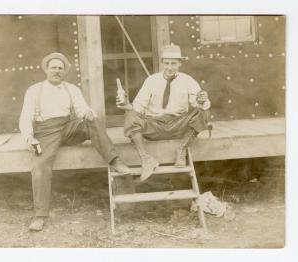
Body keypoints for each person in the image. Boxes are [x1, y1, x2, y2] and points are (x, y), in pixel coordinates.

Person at [19, 52, 132, 231]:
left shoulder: (71, 89)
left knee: (93, 121)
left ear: (65, 71)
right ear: (46, 70)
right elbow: (25, 117)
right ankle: (40, 216)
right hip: (45, 132)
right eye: (53, 67)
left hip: (67, 127)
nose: (57, 71)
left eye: (60, 68)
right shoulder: (35, 90)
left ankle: (115, 160)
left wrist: (87, 113)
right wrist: (29, 137)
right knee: (40, 167)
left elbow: (82, 108)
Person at [116, 45, 211, 182]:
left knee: (203, 111)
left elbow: (199, 103)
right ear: (162, 63)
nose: (170, 67)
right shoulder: (151, 81)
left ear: (180, 63)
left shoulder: (188, 80)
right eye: (166, 63)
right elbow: (138, 107)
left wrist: (202, 100)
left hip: (178, 125)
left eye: (173, 63)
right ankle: (146, 159)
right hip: (155, 125)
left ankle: (182, 149)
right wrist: (126, 105)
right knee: (131, 115)